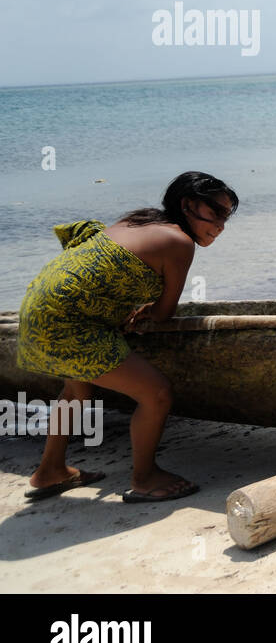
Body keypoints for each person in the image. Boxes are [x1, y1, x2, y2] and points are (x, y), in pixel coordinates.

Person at [19, 172, 239, 503]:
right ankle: (145, 478)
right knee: (157, 394)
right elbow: (165, 313)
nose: (221, 224)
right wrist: (149, 310)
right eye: (216, 212)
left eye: (227, 216)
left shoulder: (137, 221)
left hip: (37, 310)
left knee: (77, 389)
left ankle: (50, 471)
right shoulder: (178, 242)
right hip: (69, 322)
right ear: (188, 204)